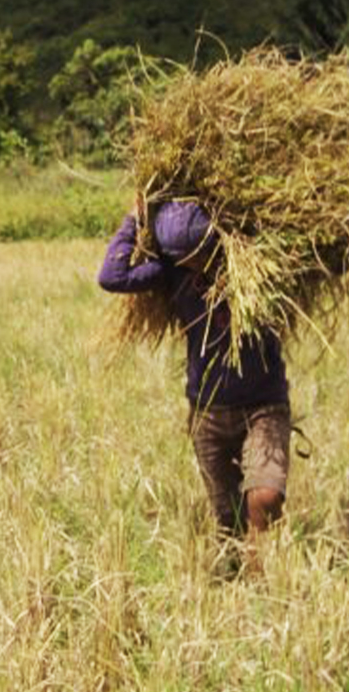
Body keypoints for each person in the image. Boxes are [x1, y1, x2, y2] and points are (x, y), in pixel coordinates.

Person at [98, 199, 290, 570]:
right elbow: (112, 276)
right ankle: (236, 586)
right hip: (207, 409)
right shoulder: (172, 273)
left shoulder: (255, 266)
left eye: (195, 254)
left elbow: (319, 257)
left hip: (263, 405)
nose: (190, 263)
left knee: (264, 498)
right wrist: (134, 219)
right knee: (227, 516)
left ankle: (261, 579)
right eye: (180, 256)